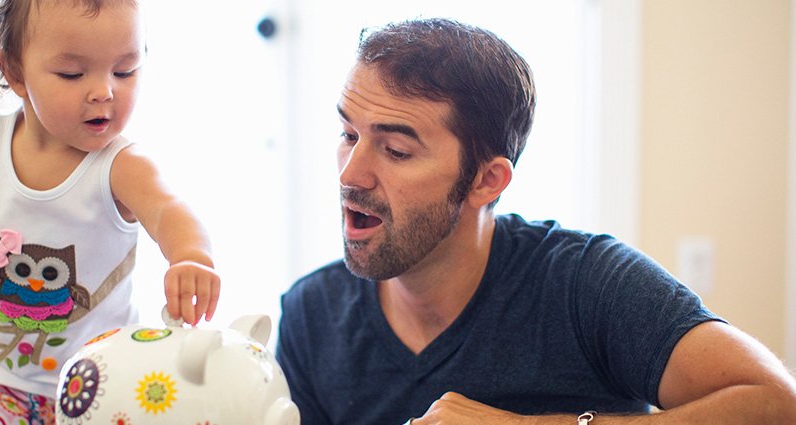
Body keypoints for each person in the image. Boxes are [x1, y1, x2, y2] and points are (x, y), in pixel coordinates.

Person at [275, 17, 796, 425]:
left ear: (486, 181)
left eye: (395, 149)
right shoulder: (310, 314)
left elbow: (775, 405)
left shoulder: (587, 283)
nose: (352, 172)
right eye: (348, 134)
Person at [0, 0, 221, 423]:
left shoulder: (122, 166)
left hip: (98, 376)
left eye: (125, 71)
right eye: (73, 74)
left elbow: (170, 210)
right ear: (16, 72)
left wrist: (190, 256)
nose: (104, 91)